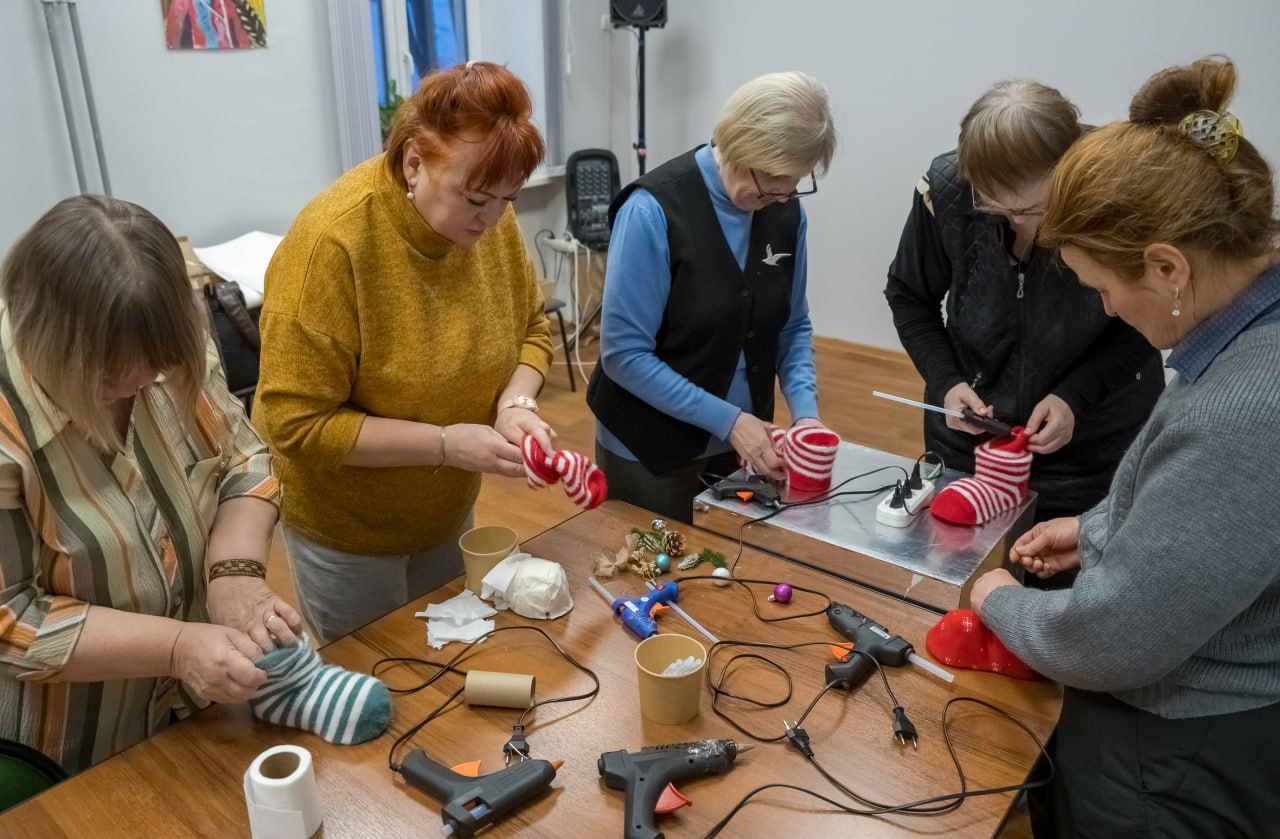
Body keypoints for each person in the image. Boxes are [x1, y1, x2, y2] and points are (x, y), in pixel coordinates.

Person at [971, 56, 1280, 836]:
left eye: (1103, 287)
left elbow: (1113, 639)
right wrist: (1100, 529)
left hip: (1176, 757)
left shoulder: (1246, 410)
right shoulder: (1246, 328)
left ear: (1169, 268)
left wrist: (1000, 603)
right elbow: (1216, 519)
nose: (1105, 307)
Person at [254, 61, 555, 643]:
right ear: (414, 161)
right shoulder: (333, 243)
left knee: (445, 660)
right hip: (349, 530)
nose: (492, 220)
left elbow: (532, 330)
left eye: (507, 199)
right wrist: (444, 443)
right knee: (377, 676)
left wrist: (516, 401)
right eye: (475, 199)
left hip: (445, 510)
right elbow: (294, 424)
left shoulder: (491, 218)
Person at [0, 196, 303, 774]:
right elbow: (11, 618)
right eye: (111, 376)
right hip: (67, 754)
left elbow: (245, 458)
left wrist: (234, 576)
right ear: (44, 338)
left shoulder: (166, 340)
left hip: (195, 714)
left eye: (154, 368)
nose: (139, 386)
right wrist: (175, 646)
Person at [885, 79, 1163, 520]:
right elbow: (909, 296)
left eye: (1033, 210)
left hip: (1093, 448)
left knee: (1070, 574)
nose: (1015, 222)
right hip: (971, 444)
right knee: (961, 563)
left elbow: (1152, 320)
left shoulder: (1121, 193)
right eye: (994, 207)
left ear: (1067, 171)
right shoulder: (946, 191)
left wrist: (1075, 397)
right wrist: (947, 383)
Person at [587, 71, 838, 522]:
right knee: (652, 574)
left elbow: (792, 324)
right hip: (649, 447)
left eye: (796, 182)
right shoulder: (652, 211)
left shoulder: (783, 208)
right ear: (741, 147)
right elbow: (623, 356)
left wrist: (806, 416)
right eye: (773, 180)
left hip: (744, 441)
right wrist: (729, 420)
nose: (783, 195)